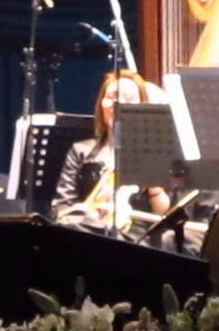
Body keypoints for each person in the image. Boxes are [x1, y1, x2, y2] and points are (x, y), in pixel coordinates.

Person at [51, 69, 172, 232]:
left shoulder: (159, 155)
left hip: (140, 240)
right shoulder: (80, 151)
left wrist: (154, 186)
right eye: (112, 96)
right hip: (87, 234)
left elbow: (168, 218)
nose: (118, 104)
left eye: (128, 98)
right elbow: (61, 208)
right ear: (101, 103)